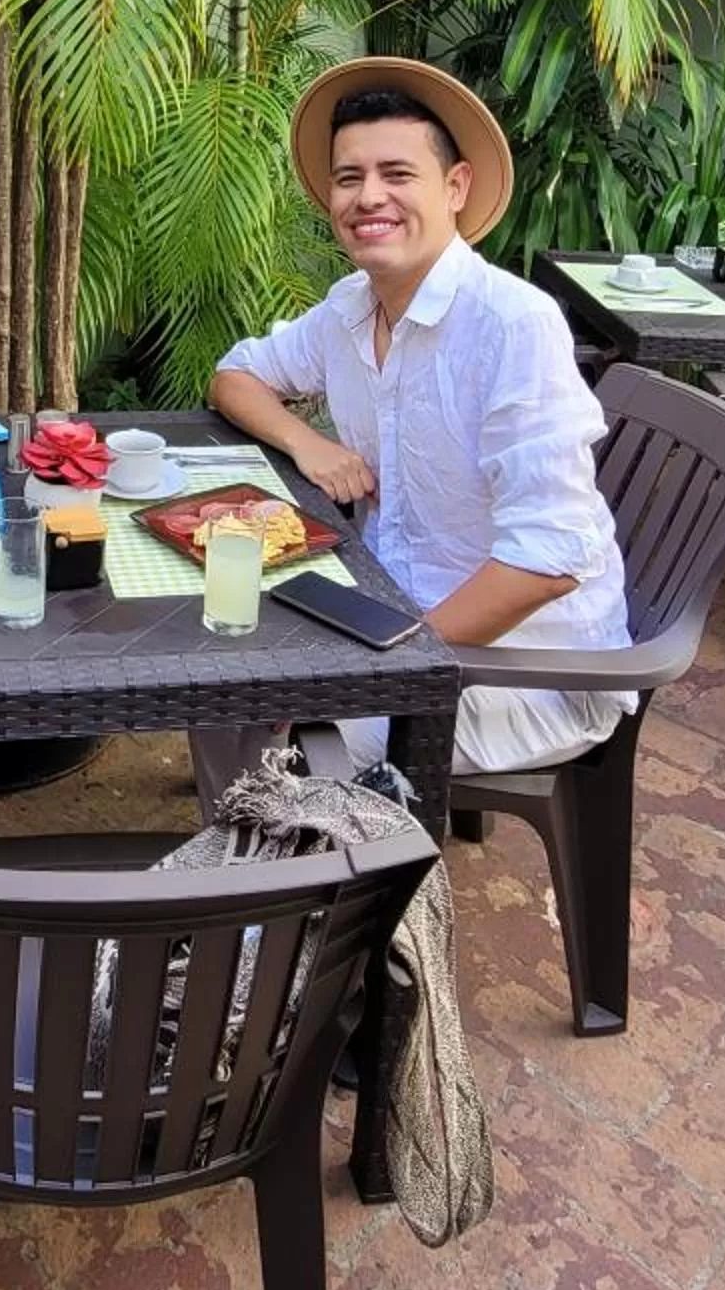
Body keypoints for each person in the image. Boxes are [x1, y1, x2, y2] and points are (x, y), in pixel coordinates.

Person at [210, 59, 632, 777]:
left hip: (523, 672)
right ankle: (249, 818)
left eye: (397, 174)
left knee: (284, 746)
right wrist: (308, 443)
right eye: (349, 177)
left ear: (455, 187)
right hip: (390, 609)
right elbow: (235, 376)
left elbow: (549, 559)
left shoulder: (511, 325)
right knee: (223, 645)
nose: (369, 197)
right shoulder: (350, 307)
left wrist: (394, 665)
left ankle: (291, 840)